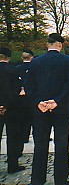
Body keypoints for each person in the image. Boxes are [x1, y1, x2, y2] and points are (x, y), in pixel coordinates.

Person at [25, 33, 69, 185]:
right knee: (61, 145)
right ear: (60, 45)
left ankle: (37, 180)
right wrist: (57, 100)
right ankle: (61, 180)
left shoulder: (35, 62)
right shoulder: (68, 61)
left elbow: (28, 86)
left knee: (40, 146)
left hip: (40, 110)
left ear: (47, 44)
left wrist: (38, 102)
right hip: (61, 110)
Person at [0, 46, 25, 174]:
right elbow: (17, 90)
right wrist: (6, 105)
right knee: (13, 137)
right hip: (12, 108)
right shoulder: (14, 70)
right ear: (8, 57)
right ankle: (12, 164)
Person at [16, 49, 34, 144]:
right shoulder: (35, 68)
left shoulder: (17, 68)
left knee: (22, 118)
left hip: (20, 97)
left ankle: (23, 136)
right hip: (32, 96)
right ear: (32, 57)